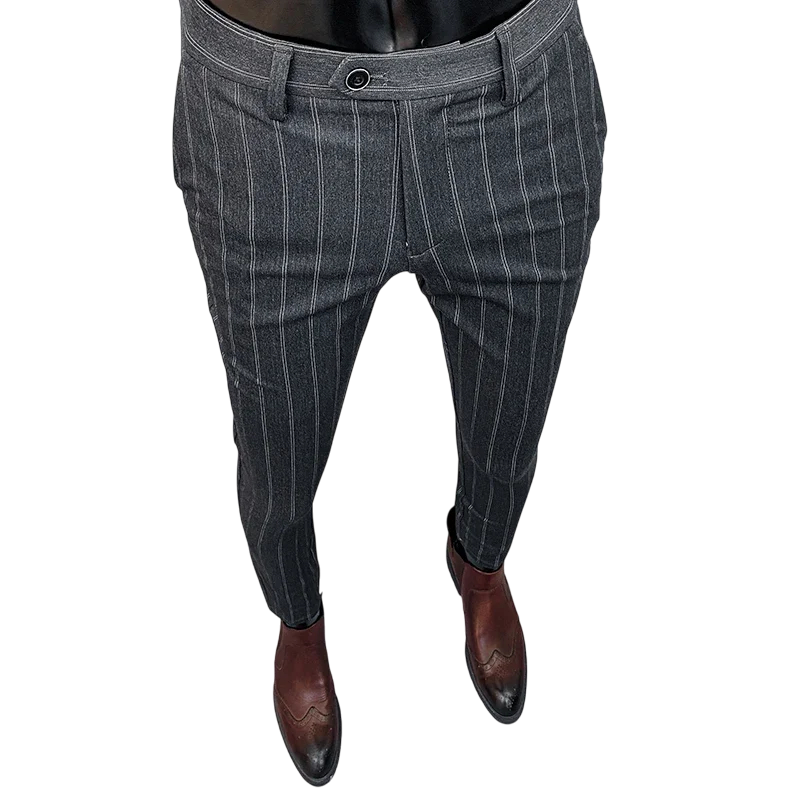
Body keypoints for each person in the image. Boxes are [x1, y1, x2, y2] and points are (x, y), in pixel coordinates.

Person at [171, 0, 606, 785]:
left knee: (513, 410)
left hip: (514, 94)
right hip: (273, 121)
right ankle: (298, 618)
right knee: (278, 447)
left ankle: (480, 563)